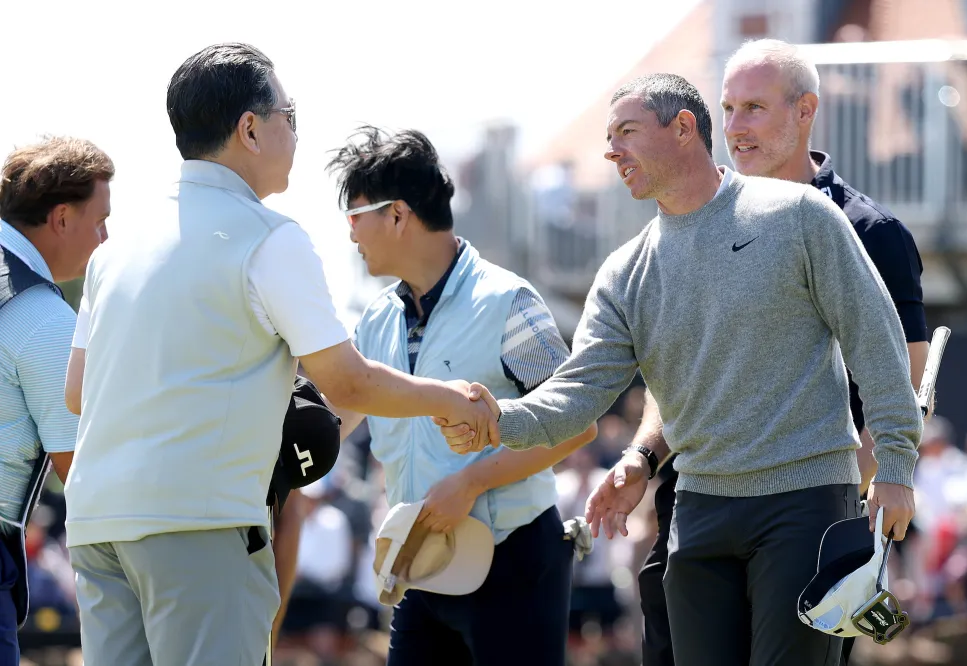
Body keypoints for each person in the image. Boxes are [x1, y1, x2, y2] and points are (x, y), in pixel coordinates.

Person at [438, 72, 922, 666]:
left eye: (627, 132)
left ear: (684, 128)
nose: (612, 151)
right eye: (609, 138)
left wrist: (895, 464)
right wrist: (497, 421)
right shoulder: (623, 272)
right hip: (697, 511)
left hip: (806, 501)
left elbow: (877, 341)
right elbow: (577, 390)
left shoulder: (800, 214)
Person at [61, 43, 496, 666]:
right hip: (200, 527)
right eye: (289, 115)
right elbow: (347, 383)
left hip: (97, 524)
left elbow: (78, 392)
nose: (294, 130)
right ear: (250, 129)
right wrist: (448, 398)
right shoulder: (268, 238)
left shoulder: (114, 249)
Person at [621, 38, 932, 665]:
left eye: (755, 108)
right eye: (728, 109)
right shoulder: (695, 218)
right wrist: (644, 455)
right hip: (695, 505)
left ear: (805, 110)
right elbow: (675, 368)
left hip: (806, 512)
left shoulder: (871, 232)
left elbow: (903, 372)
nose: (735, 128)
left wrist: (853, 490)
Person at [324, 125, 598, 666]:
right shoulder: (375, 320)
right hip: (421, 565)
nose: (350, 234)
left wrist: (472, 482)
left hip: (516, 562)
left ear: (397, 215)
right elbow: (334, 419)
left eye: (355, 216)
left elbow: (577, 424)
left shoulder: (508, 300)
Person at [0, 136, 113, 665]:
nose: (106, 239)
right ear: (62, 218)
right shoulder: (44, 317)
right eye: (101, 221)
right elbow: (85, 477)